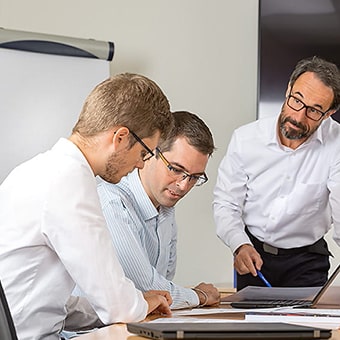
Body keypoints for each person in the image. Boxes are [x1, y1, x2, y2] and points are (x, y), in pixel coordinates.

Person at [0, 73, 175, 340]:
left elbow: (42, 299)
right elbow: (120, 308)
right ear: (120, 137)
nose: (141, 165)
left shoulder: (32, 171)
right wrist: (141, 304)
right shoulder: (69, 183)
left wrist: (136, 300)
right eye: (143, 153)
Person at [213, 56, 340, 290]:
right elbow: (226, 204)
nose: (298, 117)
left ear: (329, 113)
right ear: (288, 89)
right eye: (297, 101)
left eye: (314, 111)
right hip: (253, 258)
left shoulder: (337, 145)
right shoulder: (246, 139)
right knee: (253, 327)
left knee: (308, 327)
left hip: (308, 262)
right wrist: (239, 245)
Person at [94, 110, 220, 309]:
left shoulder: (166, 206)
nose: (183, 186)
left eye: (195, 177)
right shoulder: (112, 202)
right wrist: (199, 296)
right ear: (151, 152)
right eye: (176, 170)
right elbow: (145, 287)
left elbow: (163, 286)